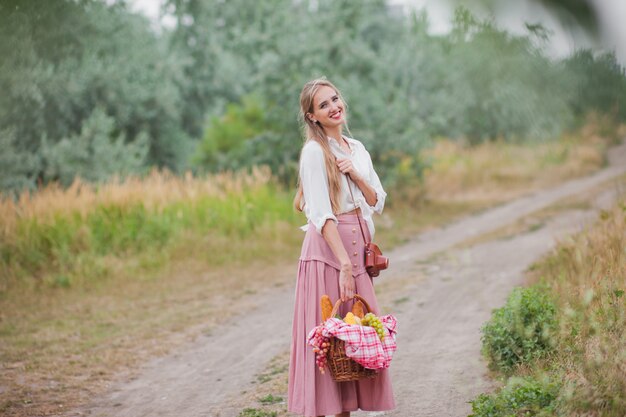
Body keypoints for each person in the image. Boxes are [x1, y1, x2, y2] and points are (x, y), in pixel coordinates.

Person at [288, 77, 395, 417]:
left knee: (353, 341)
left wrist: (356, 174)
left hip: (358, 251)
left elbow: (377, 199)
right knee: (333, 342)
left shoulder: (356, 148)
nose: (333, 107)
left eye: (334, 99)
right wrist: (344, 265)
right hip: (330, 255)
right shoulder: (314, 153)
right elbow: (321, 215)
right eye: (323, 105)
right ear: (312, 117)